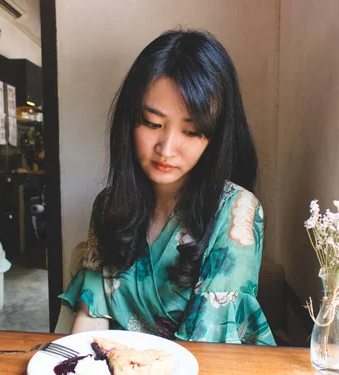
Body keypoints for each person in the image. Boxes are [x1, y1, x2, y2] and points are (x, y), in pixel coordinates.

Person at [59, 29, 275, 345]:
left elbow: (210, 348)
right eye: (152, 124)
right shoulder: (109, 206)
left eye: (191, 132)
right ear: (129, 121)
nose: (167, 148)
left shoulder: (236, 212)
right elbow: (91, 317)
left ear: (215, 137)